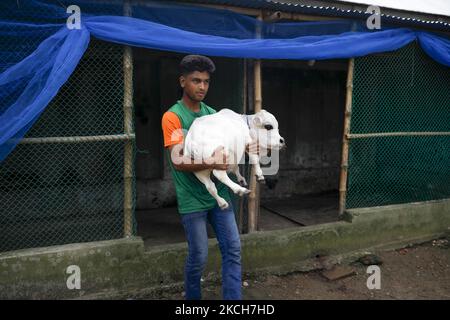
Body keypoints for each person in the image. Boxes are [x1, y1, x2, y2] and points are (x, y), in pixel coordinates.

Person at [161, 55, 242, 300]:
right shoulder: (173, 117)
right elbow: (178, 160)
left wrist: (253, 147)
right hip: (192, 199)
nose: (202, 87)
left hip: (221, 196)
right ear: (183, 81)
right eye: (196, 80)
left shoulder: (213, 114)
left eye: (206, 81)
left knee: (233, 250)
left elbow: (229, 147)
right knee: (199, 257)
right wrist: (213, 162)